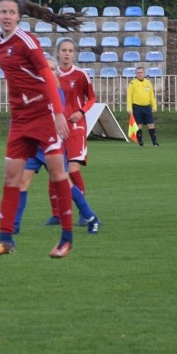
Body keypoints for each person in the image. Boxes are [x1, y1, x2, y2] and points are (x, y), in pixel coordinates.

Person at [0, 0, 83, 260]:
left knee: (58, 173)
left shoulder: (27, 41)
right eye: (3, 11)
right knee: (11, 176)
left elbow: (47, 75)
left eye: (12, 12)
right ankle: (5, 239)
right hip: (20, 120)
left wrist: (59, 113)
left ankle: (66, 238)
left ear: (19, 16)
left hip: (44, 116)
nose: (7, 16)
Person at [55, 37, 98, 225]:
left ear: (74, 54)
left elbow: (92, 98)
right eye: (63, 50)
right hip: (56, 129)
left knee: (72, 169)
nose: (66, 54)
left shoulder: (81, 75)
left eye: (70, 51)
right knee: (56, 171)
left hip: (75, 128)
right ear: (58, 53)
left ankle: (83, 212)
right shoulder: (51, 75)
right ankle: (58, 214)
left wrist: (81, 112)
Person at [126, 66, 159, 146]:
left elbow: (152, 96)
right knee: (139, 125)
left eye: (141, 73)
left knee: (150, 124)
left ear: (144, 74)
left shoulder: (148, 83)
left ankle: (154, 142)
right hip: (137, 106)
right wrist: (129, 108)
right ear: (136, 74)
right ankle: (140, 141)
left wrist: (154, 106)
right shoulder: (132, 83)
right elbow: (129, 97)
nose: (140, 74)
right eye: (138, 73)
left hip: (147, 106)